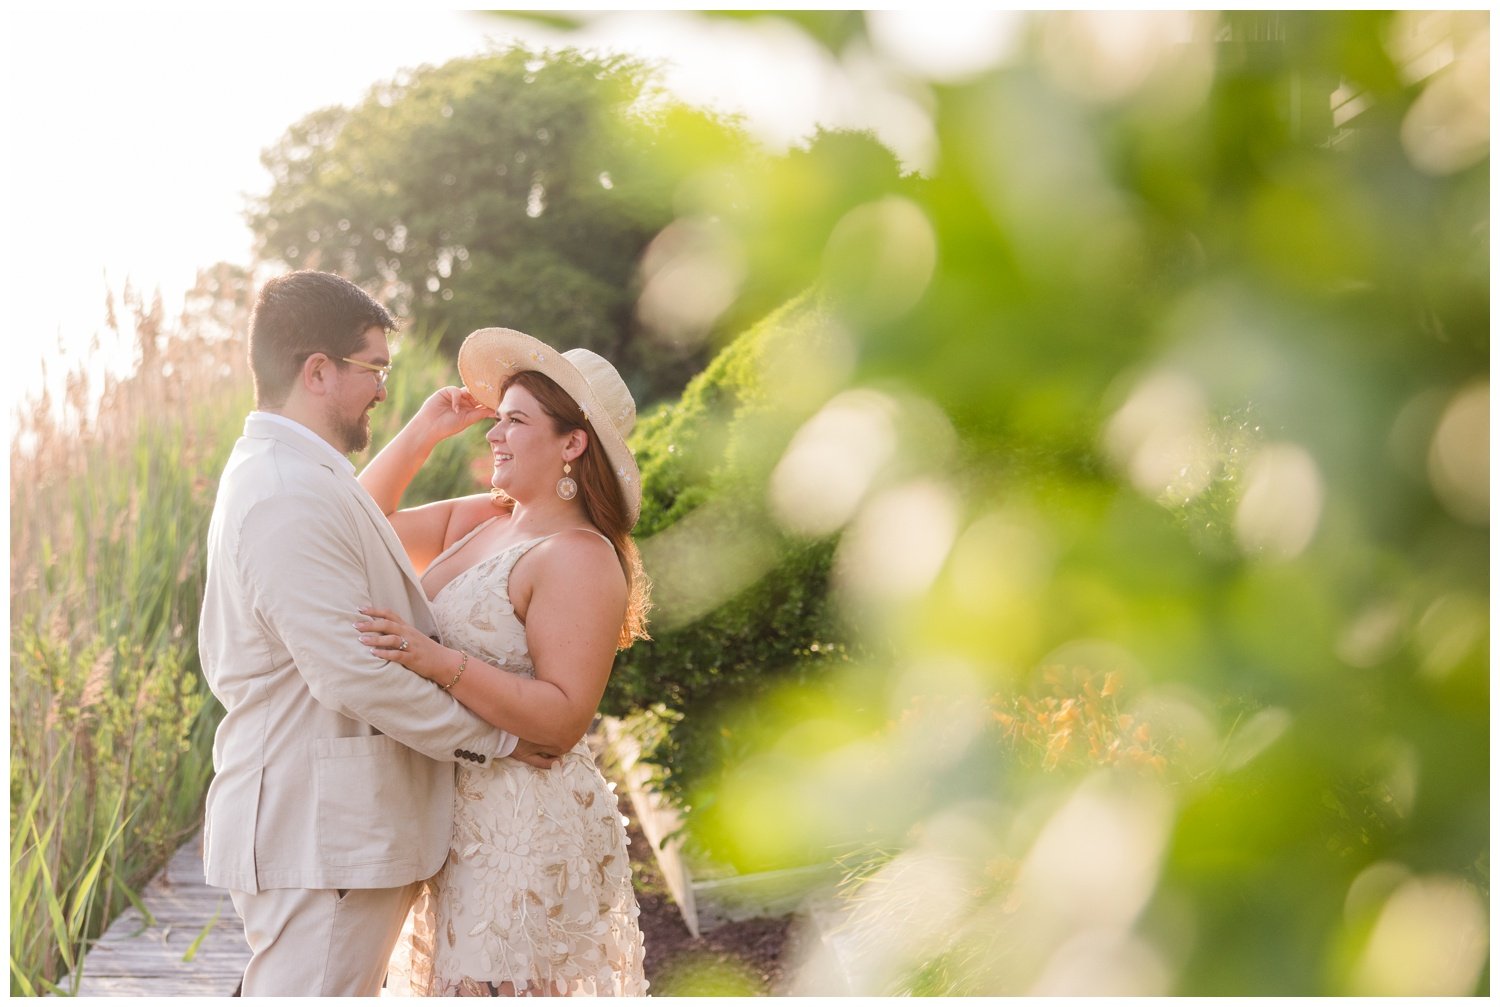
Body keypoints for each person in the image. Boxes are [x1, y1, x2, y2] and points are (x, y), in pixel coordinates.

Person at [199, 272, 550, 996]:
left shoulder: (297, 474)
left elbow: (348, 539)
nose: (383, 389)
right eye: (375, 369)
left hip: (332, 832)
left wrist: (421, 433)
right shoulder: (283, 492)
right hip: (320, 835)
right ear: (318, 370)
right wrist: (502, 739)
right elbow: (355, 674)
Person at [353, 327, 650, 996]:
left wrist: (435, 661)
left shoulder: (579, 554)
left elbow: (566, 717)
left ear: (572, 443)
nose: (494, 433)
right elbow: (354, 527)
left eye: (515, 421)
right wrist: (422, 434)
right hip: (451, 820)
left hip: (523, 827)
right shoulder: (484, 519)